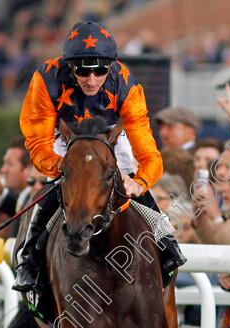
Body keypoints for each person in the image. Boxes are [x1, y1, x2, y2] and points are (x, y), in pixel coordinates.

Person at [15, 20, 184, 292]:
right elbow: (38, 144)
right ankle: (28, 257)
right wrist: (66, 168)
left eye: (100, 71)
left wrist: (139, 182)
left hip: (112, 134)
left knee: (131, 181)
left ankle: (166, 244)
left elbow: (150, 156)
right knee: (59, 184)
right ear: (70, 66)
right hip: (67, 135)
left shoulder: (127, 84)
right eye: (83, 72)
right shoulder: (45, 78)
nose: (91, 80)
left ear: (111, 66)